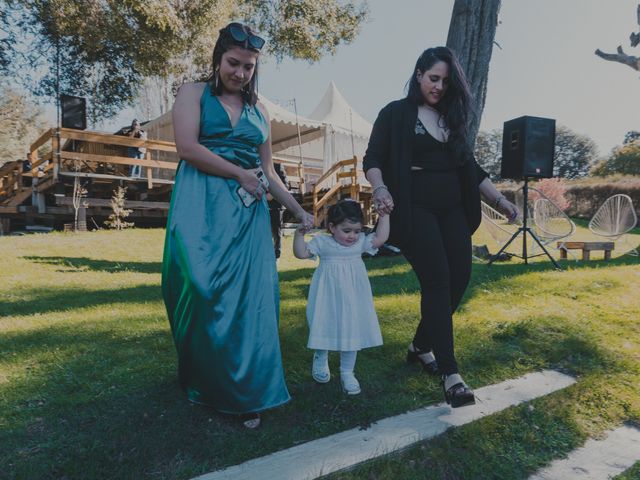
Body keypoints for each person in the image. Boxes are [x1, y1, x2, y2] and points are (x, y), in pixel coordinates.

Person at [162, 22, 314, 429]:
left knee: (250, 299)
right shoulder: (192, 93)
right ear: (217, 58)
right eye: (234, 63)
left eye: (249, 67)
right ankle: (203, 377)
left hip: (247, 212)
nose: (240, 73)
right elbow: (187, 148)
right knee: (202, 288)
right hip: (201, 201)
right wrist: (237, 173)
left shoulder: (258, 111)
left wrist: (298, 210)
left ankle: (248, 392)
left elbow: (268, 171)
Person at [363, 46, 519, 408]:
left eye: (445, 82)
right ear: (418, 74)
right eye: (433, 78)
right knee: (437, 281)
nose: (439, 86)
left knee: (460, 278)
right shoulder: (396, 113)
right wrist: (380, 187)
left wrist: (501, 200)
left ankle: (420, 346)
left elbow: (472, 169)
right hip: (415, 209)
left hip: (453, 210)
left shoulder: (451, 118)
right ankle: (451, 375)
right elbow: (373, 158)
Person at [293, 200, 390, 395]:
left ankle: (347, 372)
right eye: (347, 231)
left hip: (354, 296)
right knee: (324, 322)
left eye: (356, 230)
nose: (352, 236)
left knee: (351, 327)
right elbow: (301, 253)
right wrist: (299, 234)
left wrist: (385, 215)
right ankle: (321, 356)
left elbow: (380, 237)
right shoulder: (323, 243)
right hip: (327, 294)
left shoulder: (361, 242)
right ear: (332, 227)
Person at [267, 162, 288, 259]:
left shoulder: (277, 167)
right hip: (261, 204)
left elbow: (286, 186)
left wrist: (273, 195)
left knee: (276, 230)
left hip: (275, 206)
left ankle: (277, 252)